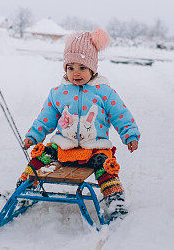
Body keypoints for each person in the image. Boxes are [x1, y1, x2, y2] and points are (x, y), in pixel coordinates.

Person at [18, 29, 140, 222]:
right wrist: (33, 136)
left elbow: (121, 114)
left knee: (105, 166)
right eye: (70, 67)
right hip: (63, 146)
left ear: (92, 68)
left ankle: (115, 198)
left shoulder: (104, 92)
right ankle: (24, 187)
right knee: (41, 157)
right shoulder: (58, 93)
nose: (76, 73)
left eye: (82, 67)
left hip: (94, 148)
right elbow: (45, 118)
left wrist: (130, 135)